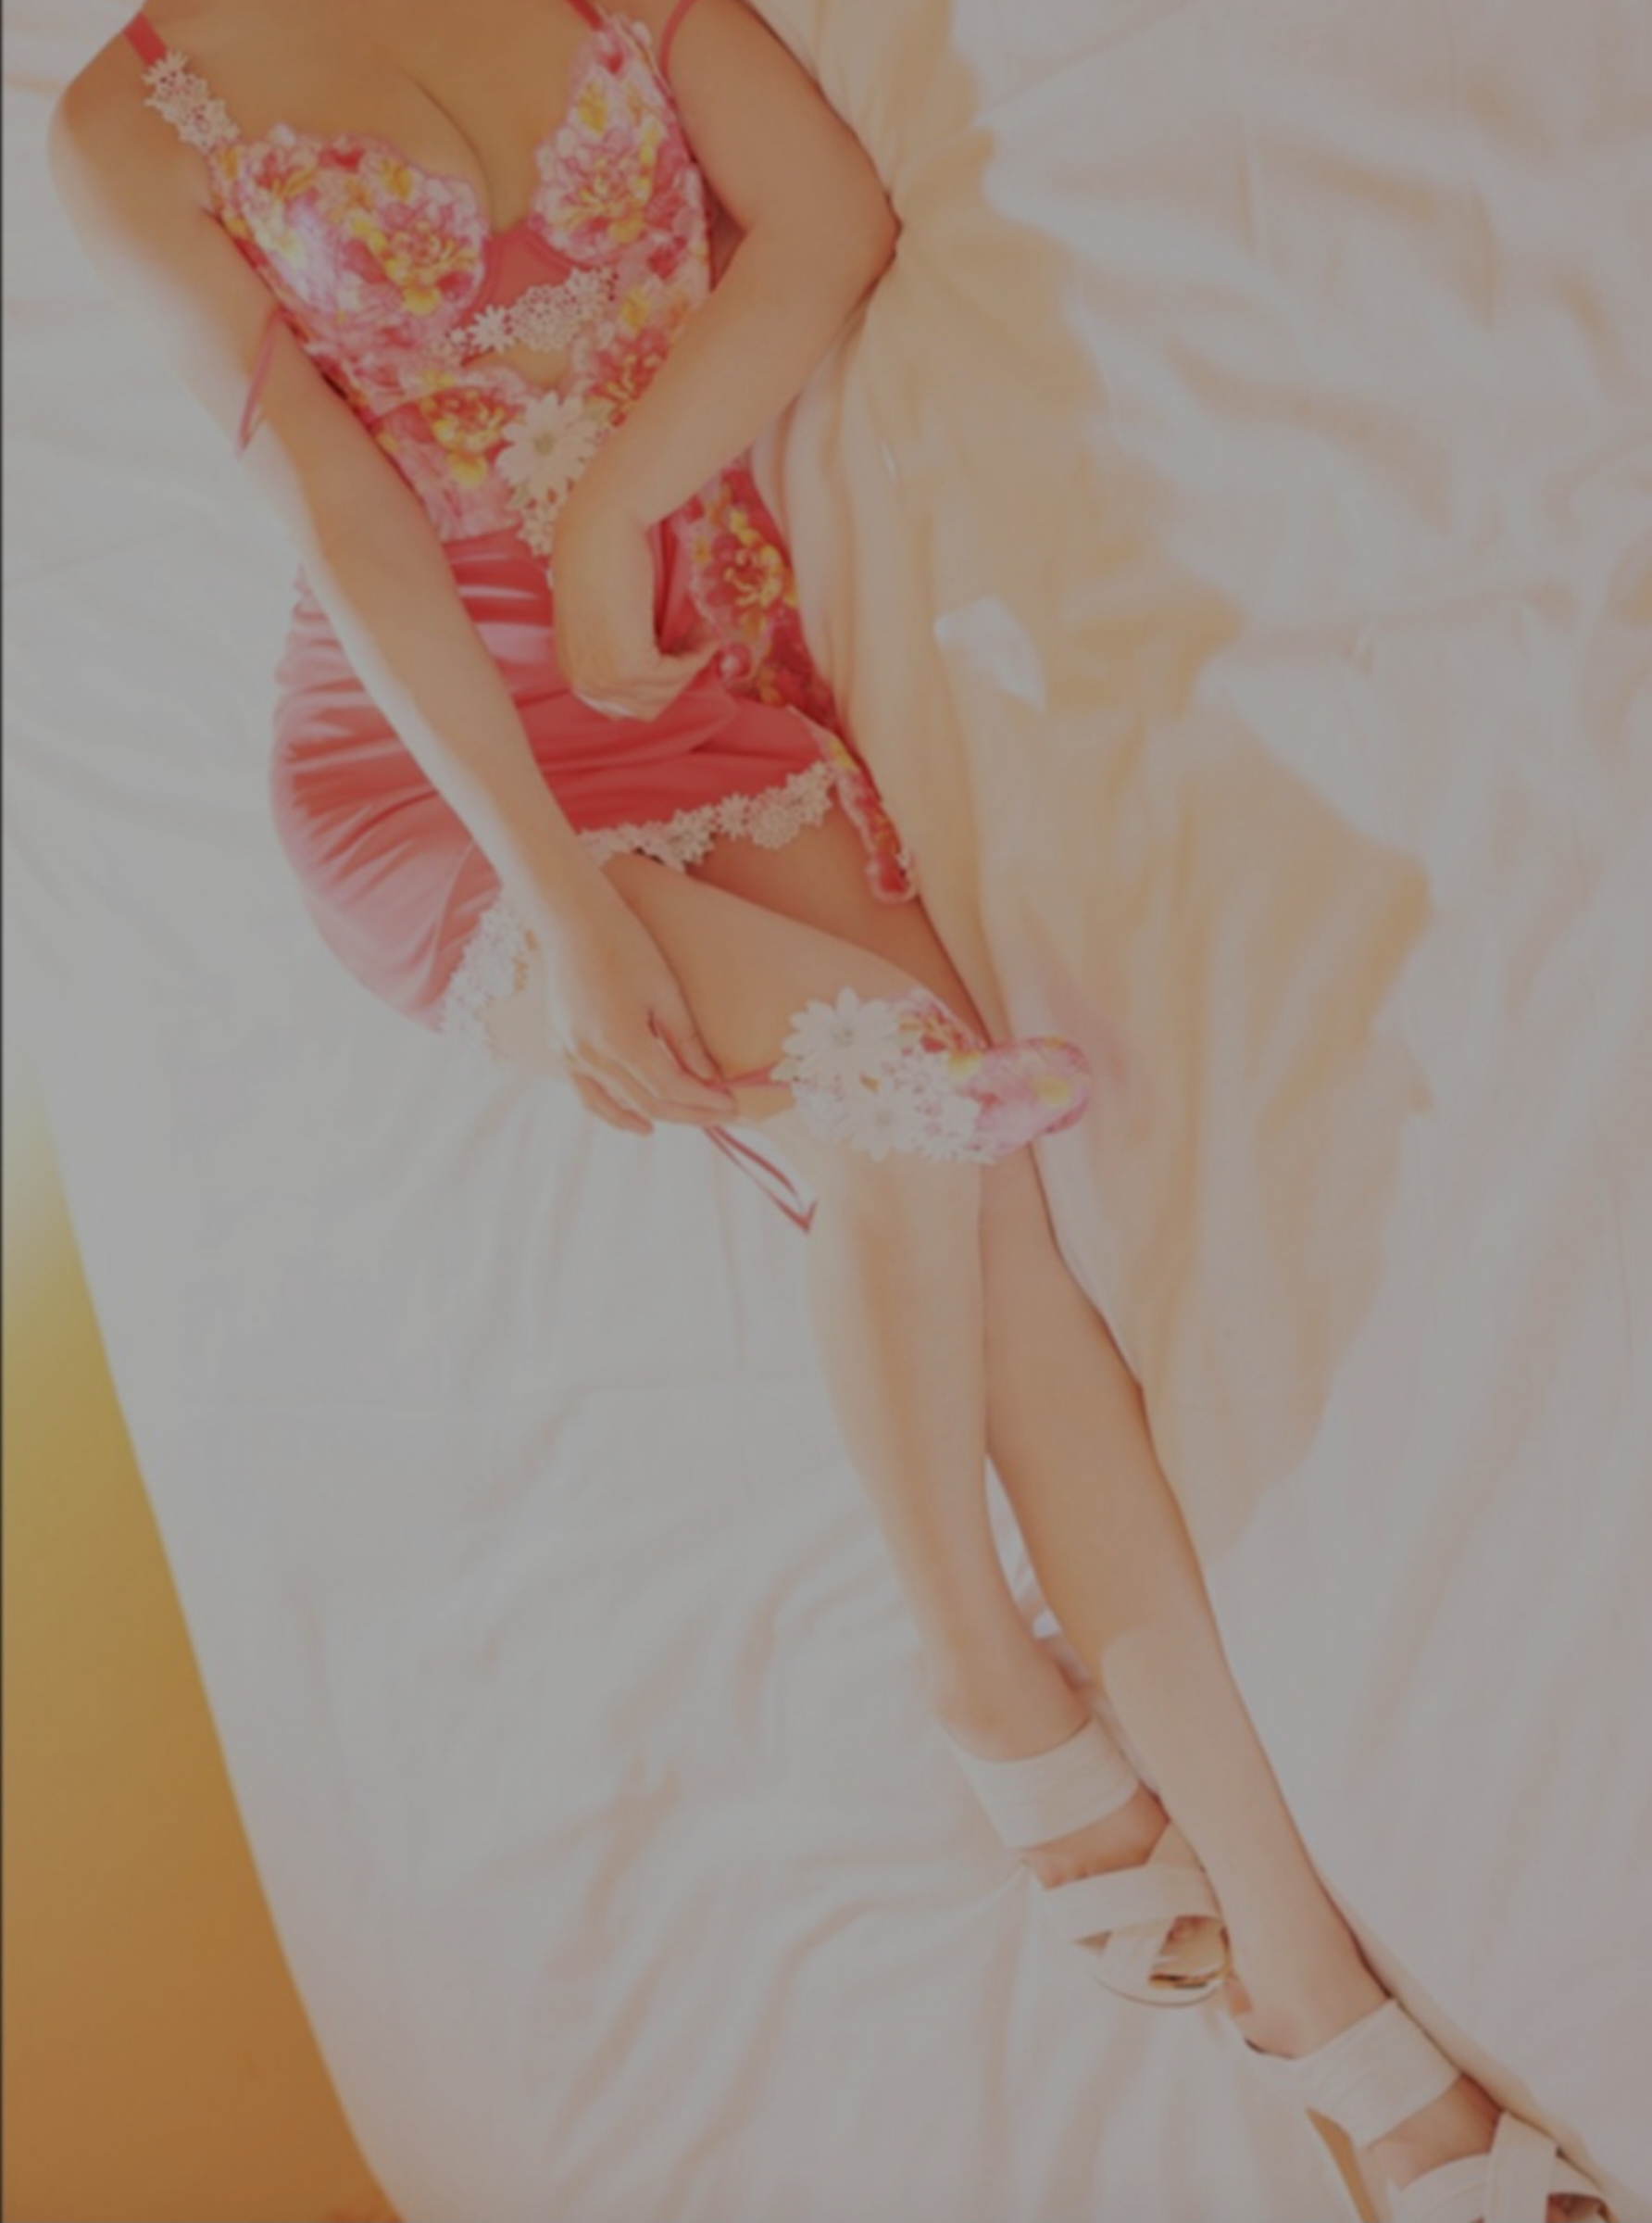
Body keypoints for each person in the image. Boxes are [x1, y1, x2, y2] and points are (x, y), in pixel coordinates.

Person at [49, 3, 1607, 2216]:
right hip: (430, 773)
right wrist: (558, 901)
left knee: (1021, 1282)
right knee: (907, 1108)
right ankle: (985, 1686)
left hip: (702, 682)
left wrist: (621, 508)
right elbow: (331, 502)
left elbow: (828, 223)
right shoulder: (131, 117)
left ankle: (1324, 2011)